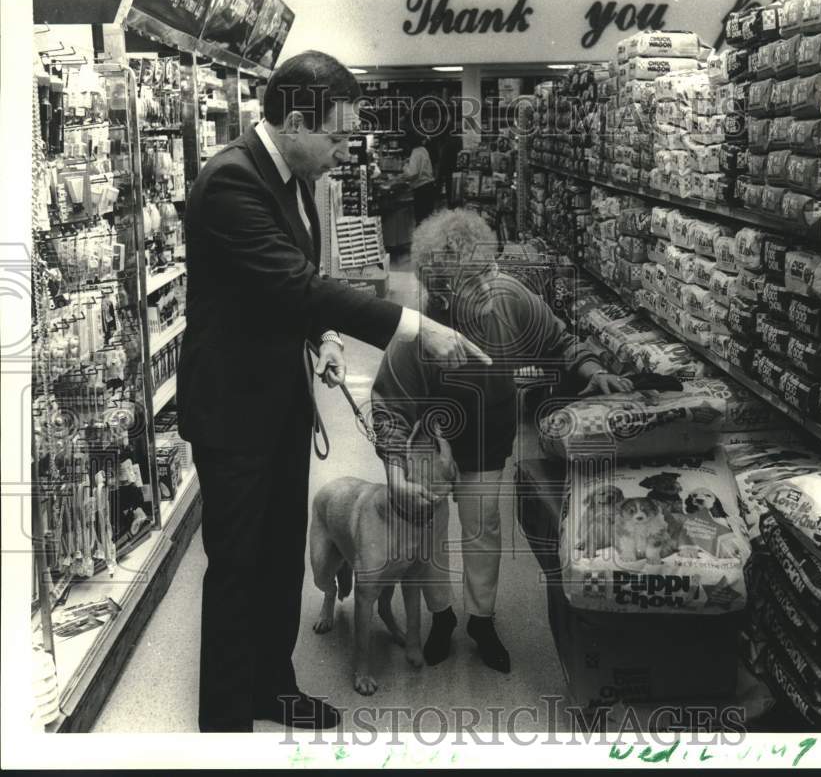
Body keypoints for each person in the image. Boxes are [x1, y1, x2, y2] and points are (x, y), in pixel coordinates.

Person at [177, 51, 491, 733]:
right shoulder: (230, 180)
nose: (346, 150)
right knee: (237, 566)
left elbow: (292, 281)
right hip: (234, 412)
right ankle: (226, 727)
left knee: (282, 549)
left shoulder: (295, 179)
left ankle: (272, 685)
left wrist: (320, 337)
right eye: (339, 135)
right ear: (296, 121)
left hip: (280, 400)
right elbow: (295, 284)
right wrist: (413, 326)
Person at [370, 209, 633, 674]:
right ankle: (441, 614)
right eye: (474, 280)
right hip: (429, 447)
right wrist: (395, 464)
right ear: (443, 290)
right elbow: (389, 404)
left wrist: (593, 370)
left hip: (489, 437)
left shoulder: (510, 299)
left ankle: (481, 619)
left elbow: (557, 339)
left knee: (483, 525)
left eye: (488, 271)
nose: (489, 285)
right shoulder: (417, 332)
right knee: (429, 531)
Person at [397, 127, 437, 225]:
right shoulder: (423, 150)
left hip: (422, 189)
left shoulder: (415, 152)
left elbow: (413, 173)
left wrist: (405, 166)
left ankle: (420, 239)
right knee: (428, 220)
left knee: (421, 220)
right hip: (429, 187)